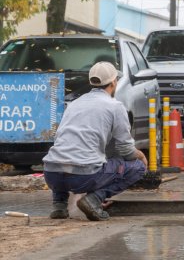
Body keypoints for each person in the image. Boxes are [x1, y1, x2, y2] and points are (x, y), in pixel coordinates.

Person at [42, 62, 148, 221]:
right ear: (114, 83)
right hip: (83, 177)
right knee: (137, 167)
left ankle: (59, 205)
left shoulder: (74, 104)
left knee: (63, 153)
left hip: (51, 174)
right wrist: (141, 156)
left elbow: (61, 139)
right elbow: (126, 150)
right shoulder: (115, 107)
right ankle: (94, 199)